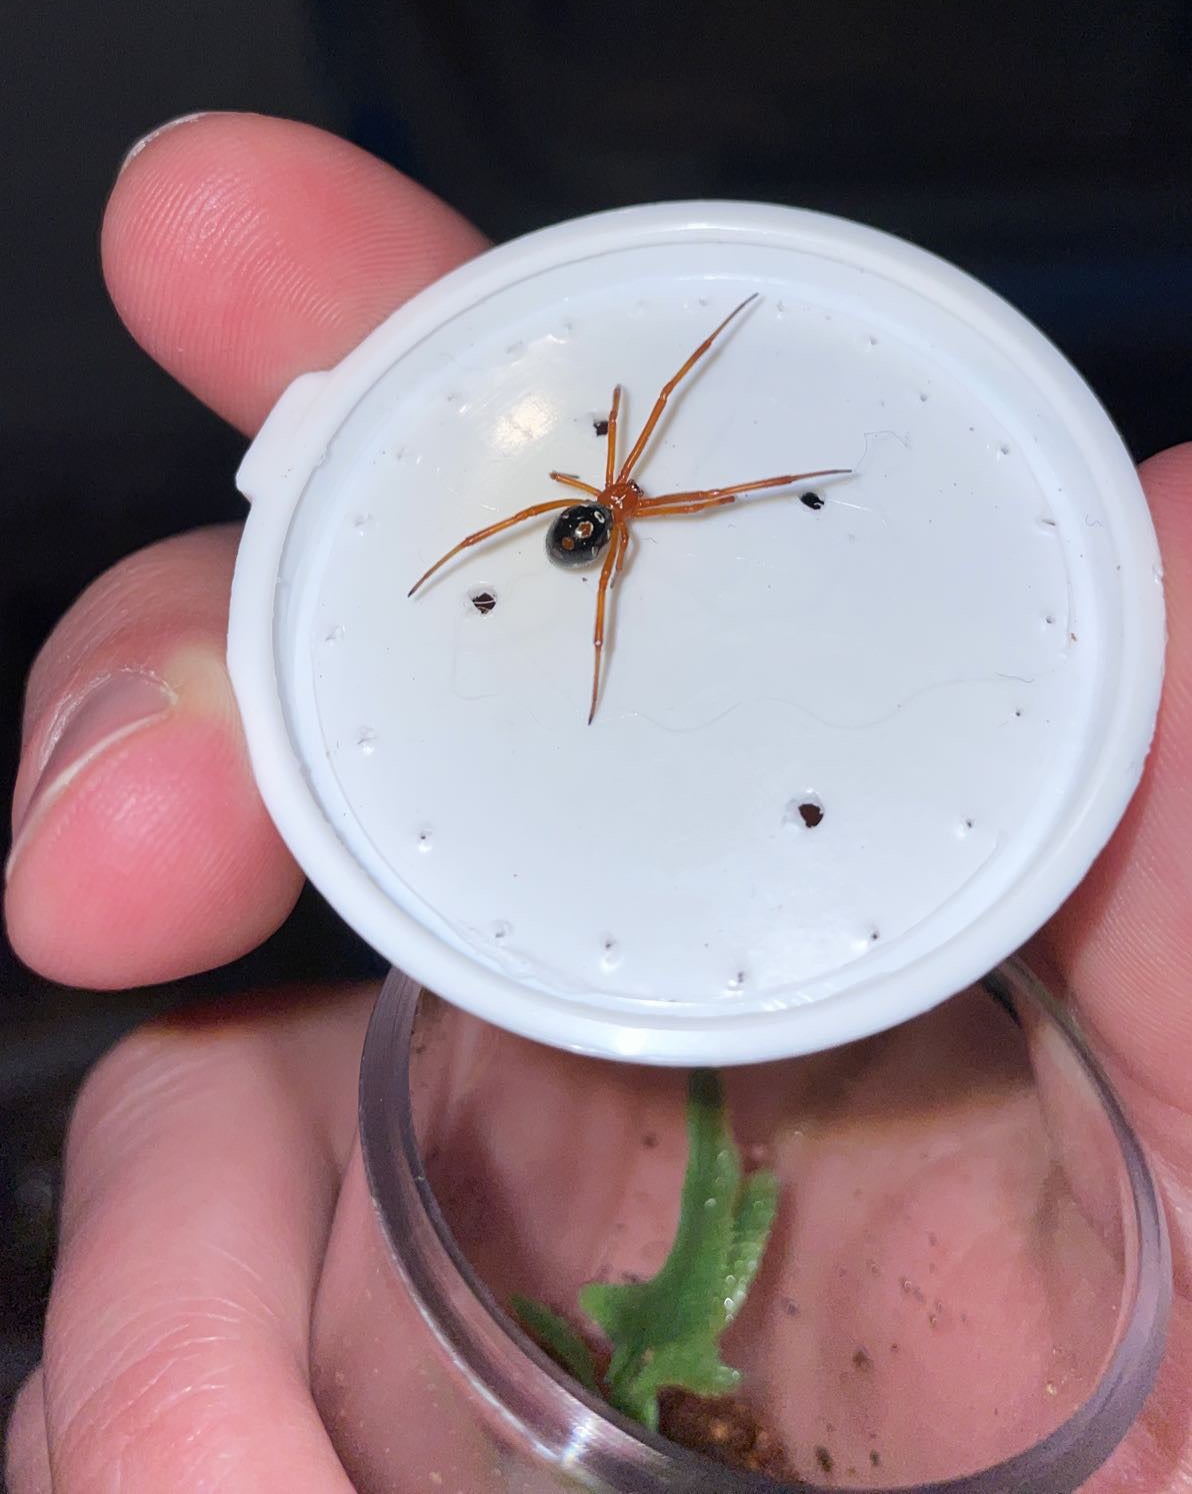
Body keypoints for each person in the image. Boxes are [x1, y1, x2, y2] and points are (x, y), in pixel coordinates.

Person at [4, 113, 1188, 1492]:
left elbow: (622, 480)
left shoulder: (617, 503)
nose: (625, 476)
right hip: (561, 540)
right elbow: (551, 517)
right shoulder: (587, 511)